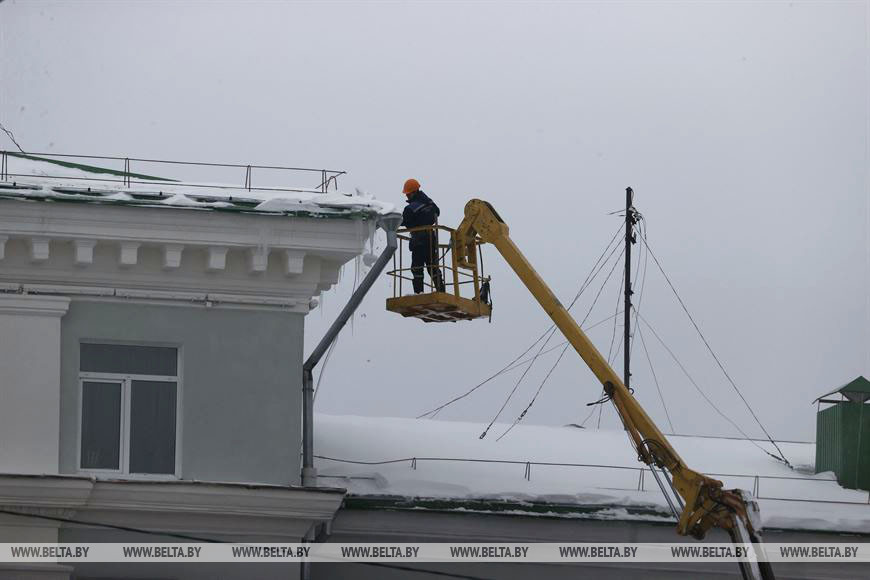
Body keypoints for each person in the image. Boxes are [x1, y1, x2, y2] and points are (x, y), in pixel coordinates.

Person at [401, 178, 445, 294]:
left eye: (408, 194)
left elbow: (404, 221)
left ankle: (419, 292)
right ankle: (441, 291)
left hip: (419, 240)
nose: (407, 197)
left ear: (413, 192)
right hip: (431, 239)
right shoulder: (430, 203)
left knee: (417, 267)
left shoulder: (410, 208)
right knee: (433, 267)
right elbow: (437, 212)